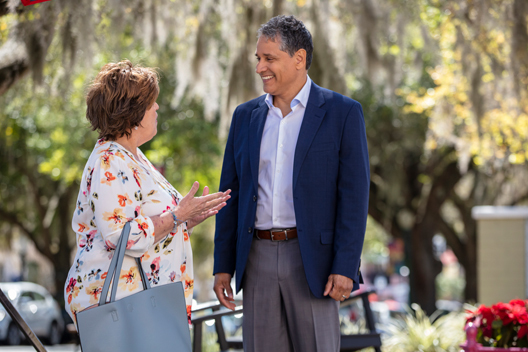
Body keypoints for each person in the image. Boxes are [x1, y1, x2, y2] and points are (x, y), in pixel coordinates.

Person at [213, 15, 370, 351]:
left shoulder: (343, 113)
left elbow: (354, 198)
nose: (260, 68)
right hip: (256, 259)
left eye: (270, 59)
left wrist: (345, 266)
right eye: (258, 58)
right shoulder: (245, 117)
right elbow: (232, 194)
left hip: (313, 262)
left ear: (299, 58)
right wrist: (222, 265)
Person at [64, 60, 230, 326]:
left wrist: (185, 220)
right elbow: (120, 236)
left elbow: (147, 225)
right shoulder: (109, 160)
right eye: (151, 102)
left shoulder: (133, 157)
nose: (157, 107)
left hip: (143, 305)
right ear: (133, 111)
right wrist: (176, 216)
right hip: (123, 311)